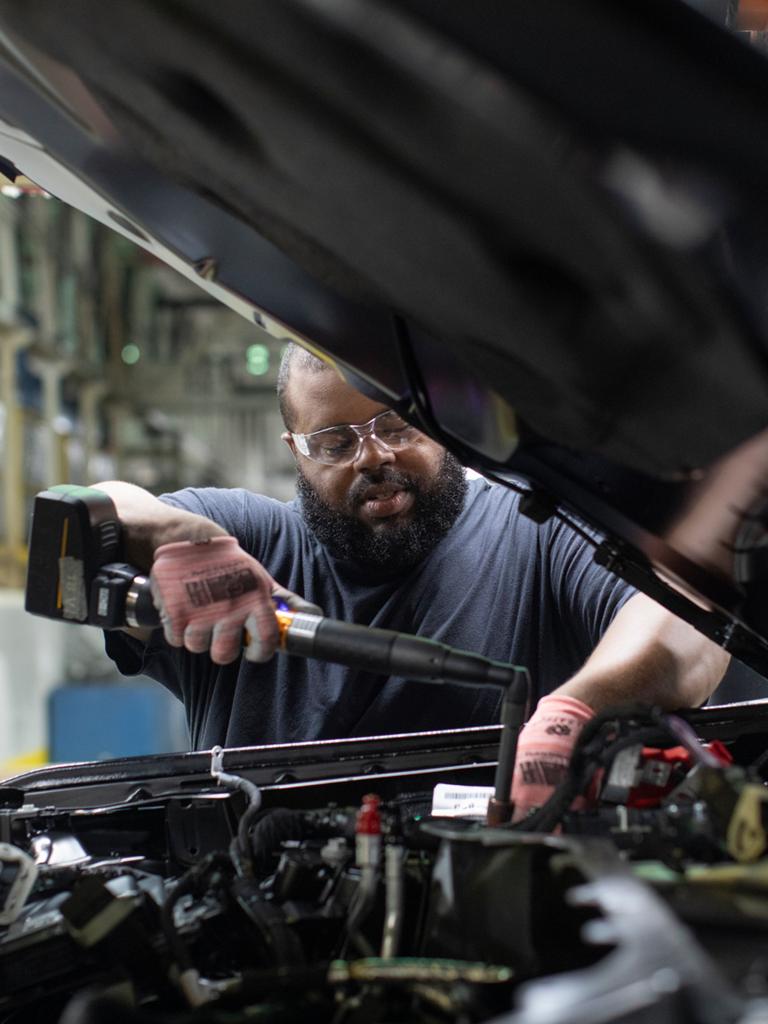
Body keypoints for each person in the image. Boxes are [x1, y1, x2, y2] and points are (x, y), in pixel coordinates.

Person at [99, 343, 730, 819]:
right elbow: (88, 507)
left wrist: (575, 712)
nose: (373, 457)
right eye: (334, 441)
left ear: (443, 419)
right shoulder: (247, 541)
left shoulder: (534, 531)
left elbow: (689, 623)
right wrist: (171, 539)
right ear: (294, 451)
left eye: (397, 425)